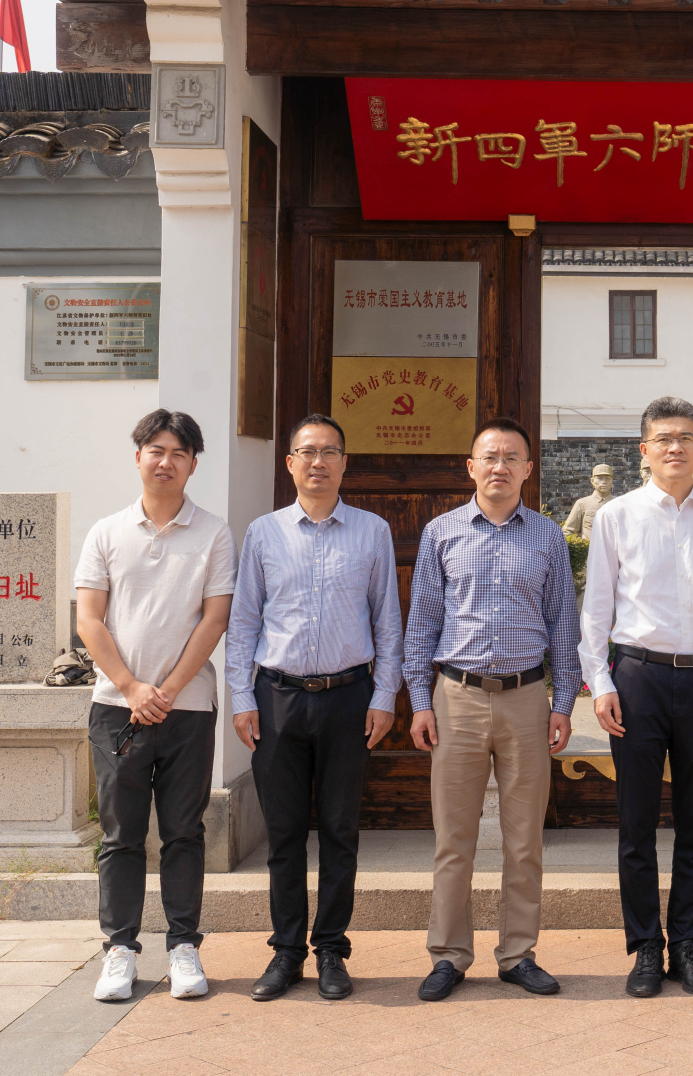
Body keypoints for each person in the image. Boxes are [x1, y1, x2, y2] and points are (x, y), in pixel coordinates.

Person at [578, 395, 693, 998]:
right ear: (644, 450)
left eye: (685, 437)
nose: (674, 447)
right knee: (635, 824)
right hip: (637, 679)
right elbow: (596, 610)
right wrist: (601, 683)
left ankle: (686, 942)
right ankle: (646, 947)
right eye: (663, 438)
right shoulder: (617, 516)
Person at [226, 413, 401, 1002]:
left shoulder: (373, 531)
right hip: (277, 697)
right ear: (290, 463)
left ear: (345, 463)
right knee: (283, 834)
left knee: (340, 830)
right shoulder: (264, 533)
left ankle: (331, 949)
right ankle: (286, 951)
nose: (318, 462)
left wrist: (384, 695)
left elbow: (387, 620)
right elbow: (244, 620)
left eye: (329, 452)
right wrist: (242, 695)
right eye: (307, 451)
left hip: (349, 696)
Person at [405, 418, 578, 1002]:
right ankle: (449, 955)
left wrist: (563, 701)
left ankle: (518, 954)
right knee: (453, 839)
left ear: (528, 469)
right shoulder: (441, 533)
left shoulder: (547, 536)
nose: (499, 466)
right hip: (456, 699)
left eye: (511, 458)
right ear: (471, 467)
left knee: (524, 839)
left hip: (527, 699)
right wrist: (419, 700)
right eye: (489, 457)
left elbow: (563, 624)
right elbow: (422, 622)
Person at [75, 409, 236, 1003]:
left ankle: (183, 946)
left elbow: (214, 619)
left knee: (184, 832)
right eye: (156, 450)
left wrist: (164, 690)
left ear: (193, 464)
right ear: (138, 457)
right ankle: (119, 949)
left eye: (179, 453)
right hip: (117, 708)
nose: (166, 462)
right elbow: (89, 618)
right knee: (120, 834)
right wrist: (132, 687)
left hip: (187, 708)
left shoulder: (214, 533)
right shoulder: (106, 532)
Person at [562, 463, 614, 539]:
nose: (604, 482)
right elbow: (568, 531)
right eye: (599, 478)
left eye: (607, 478)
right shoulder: (582, 504)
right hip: (589, 546)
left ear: (612, 481)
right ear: (592, 481)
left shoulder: (620, 504)